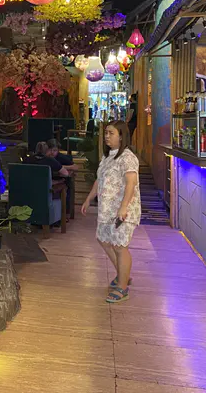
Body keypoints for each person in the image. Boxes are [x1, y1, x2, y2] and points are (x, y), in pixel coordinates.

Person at [80, 121, 141, 304]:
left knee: (120, 246)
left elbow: (131, 183)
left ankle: (122, 288)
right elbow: (99, 180)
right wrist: (89, 198)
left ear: (121, 136)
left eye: (111, 133)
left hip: (123, 211)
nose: (107, 136)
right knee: (104, 239)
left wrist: (123, 207)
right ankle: (124, 275)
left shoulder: (128, 158)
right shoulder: (107, 157)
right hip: (107, 210)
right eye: (106, 133)